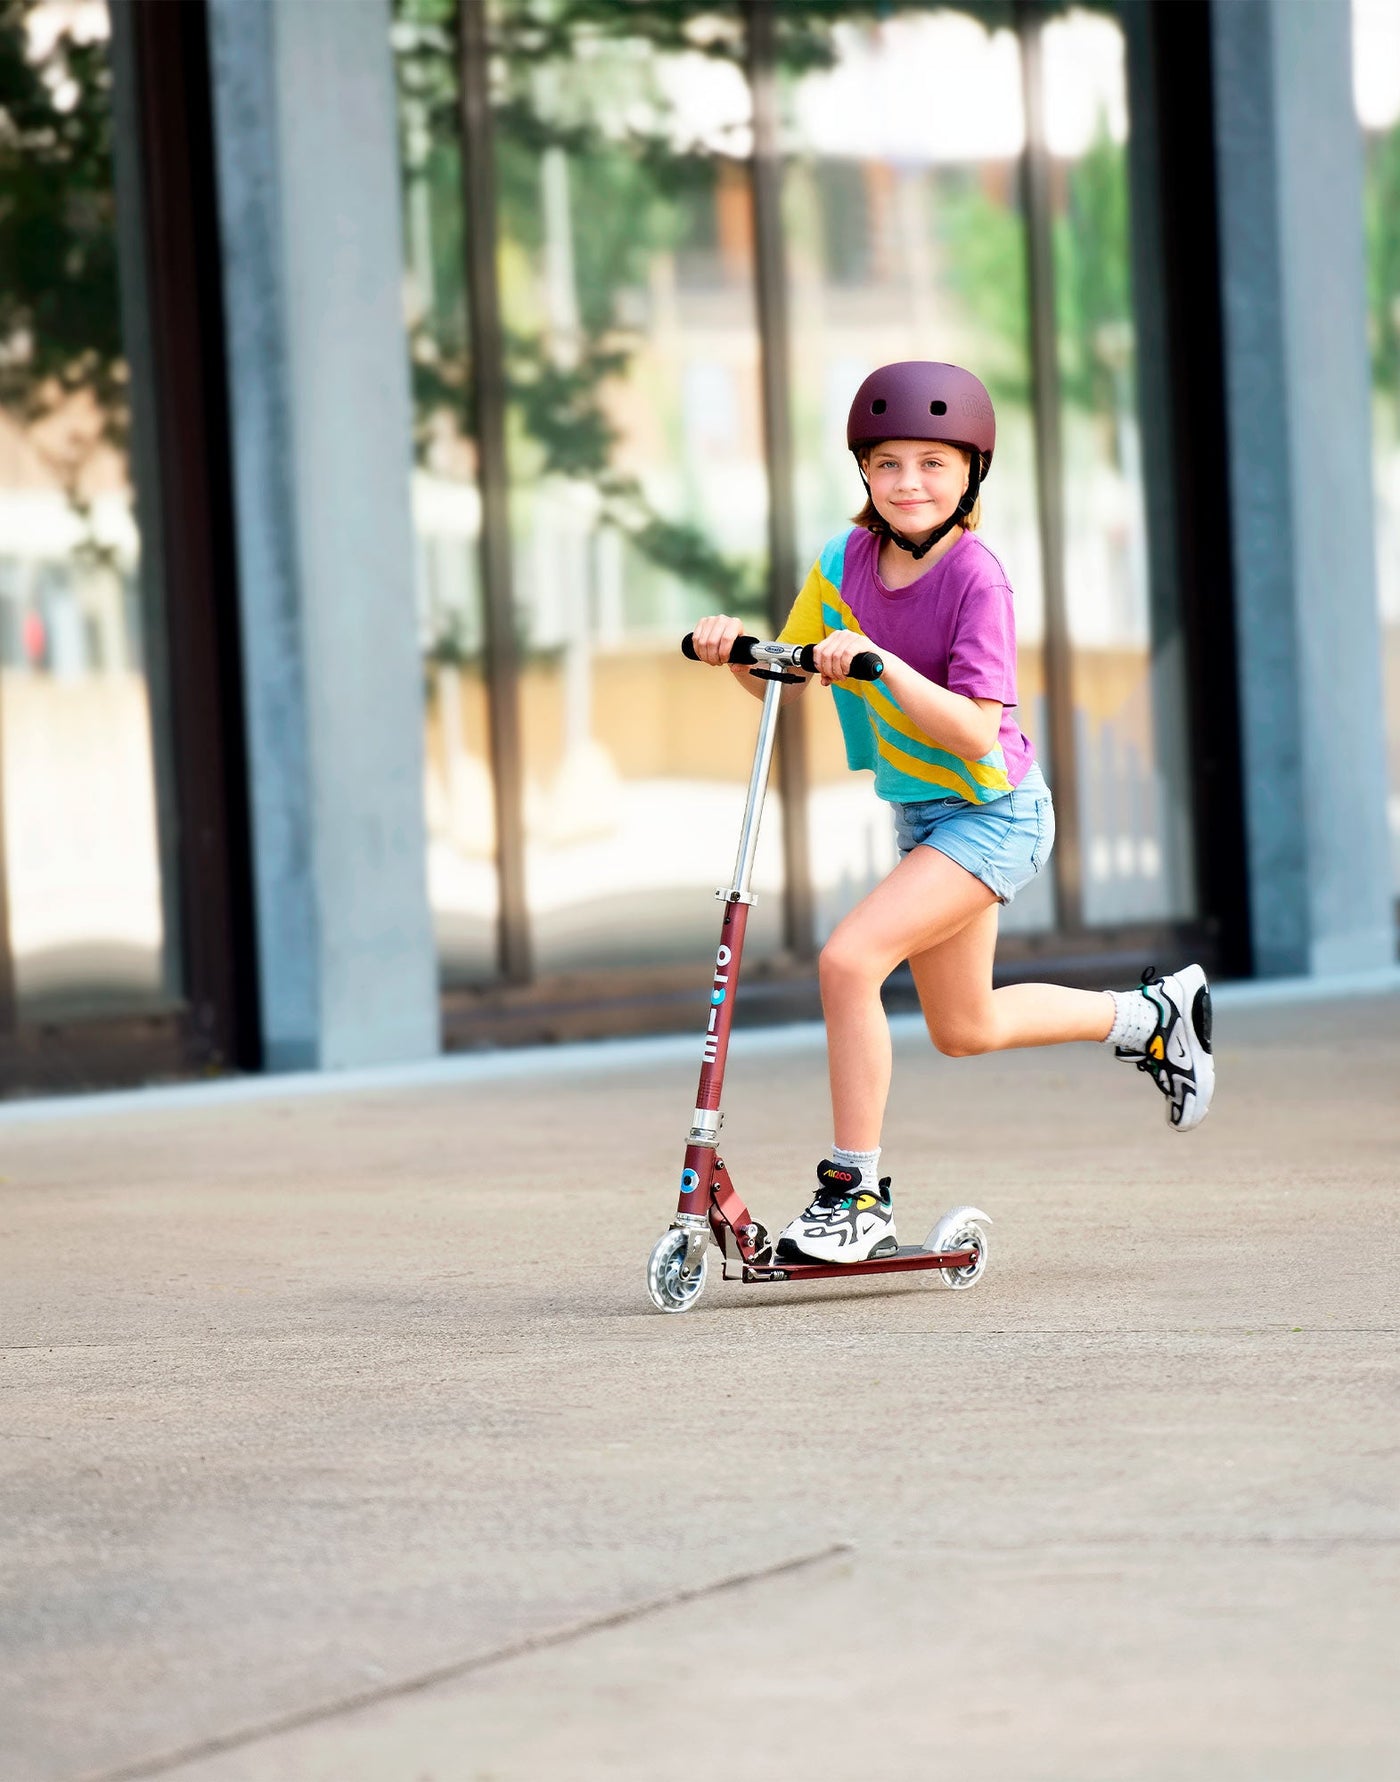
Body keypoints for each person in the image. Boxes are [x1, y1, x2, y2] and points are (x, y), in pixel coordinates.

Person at [689, 360, 1214, 1266]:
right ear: (864, 471)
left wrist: (884, 667)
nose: (909, 483)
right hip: (925, 818)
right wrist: (734, 650)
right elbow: (787, 670)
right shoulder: (842, 562)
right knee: (962, 1028)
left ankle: (854, 1192)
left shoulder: (979, 580)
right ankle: (1151, 1018)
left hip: (995, 812)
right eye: (889, 463)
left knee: (849, 962)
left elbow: (976, 734)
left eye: (934, 463)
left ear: (972, 471)